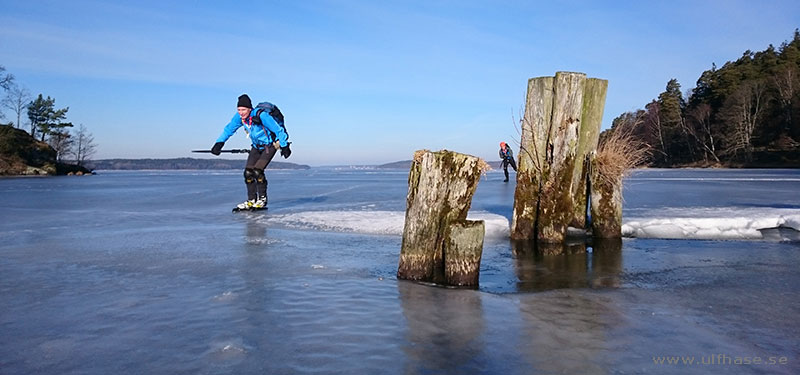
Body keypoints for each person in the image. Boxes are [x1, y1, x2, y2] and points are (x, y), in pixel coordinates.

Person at [210, 94, 291, 210]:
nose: (241, 112)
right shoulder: (239, 118)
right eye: (239, 110)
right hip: (256, 146)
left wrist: (284, 146)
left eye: (243, 109)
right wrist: (219, 143)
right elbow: (229, 129)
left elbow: (278, 130)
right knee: (248, 173)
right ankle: (251, 200)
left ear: (249, 109)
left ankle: (262, 200)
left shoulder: (261, 115)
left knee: (258, 171)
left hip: (270, 146)